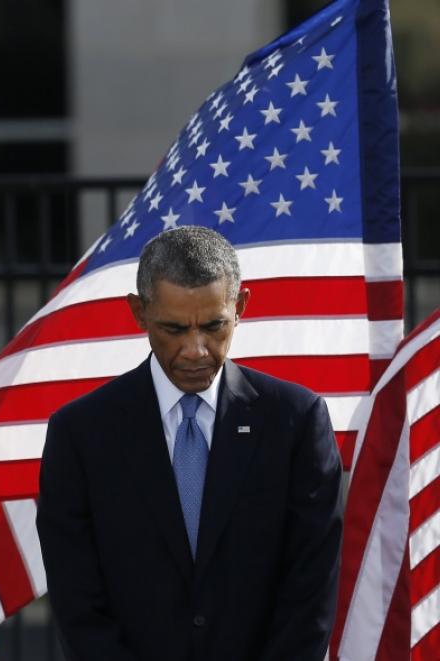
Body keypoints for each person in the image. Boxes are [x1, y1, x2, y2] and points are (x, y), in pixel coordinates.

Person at [36, 226, 343, 661]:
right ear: (138, 312)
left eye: (214, 326)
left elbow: (310, 593)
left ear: (241, 307)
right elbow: (78, 605)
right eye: (174, 329)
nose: (196, 350)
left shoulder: (295, 421)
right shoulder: (81, 435)